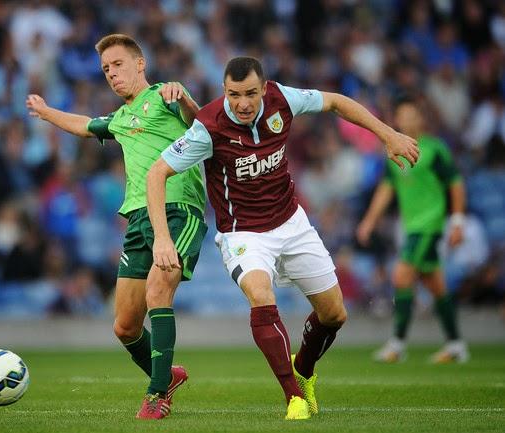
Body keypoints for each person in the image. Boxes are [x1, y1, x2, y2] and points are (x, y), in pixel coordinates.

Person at [146, 57, 419, 420]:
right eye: (233, 94)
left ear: (264, 88)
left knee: (335, 314)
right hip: (243, 232)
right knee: (260, 294)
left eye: (250, 94)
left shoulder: (282, 100)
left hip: (292, 223)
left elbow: (336, 101)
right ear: (224, 91)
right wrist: (162, 238)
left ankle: (303, 370)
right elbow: (157, 173)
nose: (242, 103)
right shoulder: (208, 126)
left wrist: (388, 134)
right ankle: (294, 397)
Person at [26, 34, 208, 419]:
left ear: (140, 64)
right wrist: (46, 112)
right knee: (125, 327)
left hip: (179, 209)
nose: (111, 73)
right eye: (106, 69)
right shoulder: (121, 119)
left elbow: (200, 125)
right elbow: (83, 126)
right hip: (139, 218)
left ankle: (157, 394)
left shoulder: (165, 95)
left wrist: (186, 99)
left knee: (160, 292)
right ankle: (168, 375)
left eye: (118, 64)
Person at [356, 96, 469, 364]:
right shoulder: (393, 149)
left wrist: (457, 222)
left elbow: (455, 183)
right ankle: (455, 345)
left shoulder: (434, 149)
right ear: (396, 119)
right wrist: (369, 221)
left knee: (402, 275)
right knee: (436, 285)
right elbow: (387, 188)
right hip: (411, 226)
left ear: (421, 118)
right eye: (402, 115)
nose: (406, 120)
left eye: (412, 115)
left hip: (429, 225)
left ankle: (397, 344)